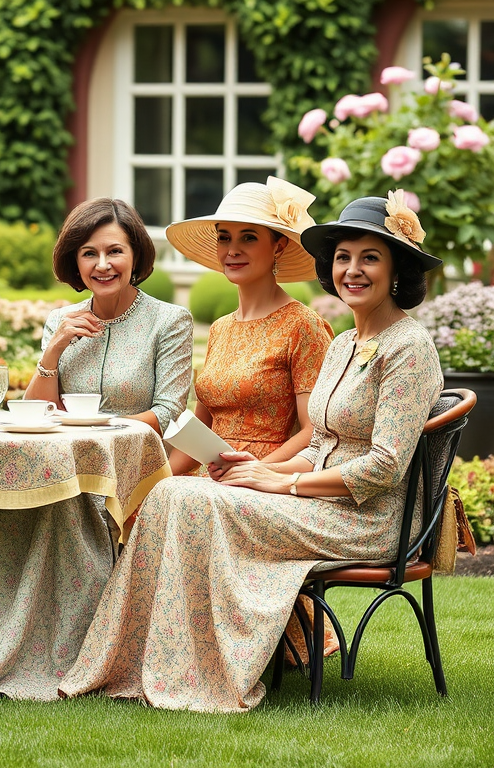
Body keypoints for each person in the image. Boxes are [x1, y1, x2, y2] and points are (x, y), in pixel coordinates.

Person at [58, 191, 444, 712]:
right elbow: (323, 444)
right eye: (345, 258)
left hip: (368, 518)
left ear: (398, 269)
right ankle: (128, 664)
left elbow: (385, 467)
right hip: (319, 499)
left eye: (370, 258)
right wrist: (260, 469)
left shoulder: (409, 346)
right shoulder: (346, 343)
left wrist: (282, 481)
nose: (353, 270)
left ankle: (195, 672)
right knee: (172, 492)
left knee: (190, 500)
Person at [0, 198, 193, 703]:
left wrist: (98, 431)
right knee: (8, 496)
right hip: (61, 467)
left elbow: (168, 411)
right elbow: (38, 409)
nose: (102, 264)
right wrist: (53, 350)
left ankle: (78, 651)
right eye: (88, 253)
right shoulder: (61, 318)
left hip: (128, 472)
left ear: (136, 255)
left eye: (114, 251)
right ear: (74, 264)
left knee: (63, 501)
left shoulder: (170, 321)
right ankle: (0, 646)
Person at [164, 177, 336, 663]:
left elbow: (316, 430)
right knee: (154, 499)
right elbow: (197, 427)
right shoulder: (218, 329)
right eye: (224, 237)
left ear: (279, 245)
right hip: (212, 469)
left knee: (182, 503)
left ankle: (217, 649)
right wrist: (151, 480)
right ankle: (171, 645)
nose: (232, 249)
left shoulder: (302, 324)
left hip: (270, 478)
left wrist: (257, 471)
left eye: (248, 237)